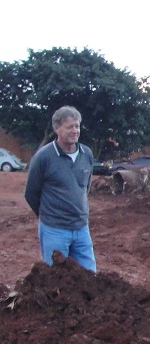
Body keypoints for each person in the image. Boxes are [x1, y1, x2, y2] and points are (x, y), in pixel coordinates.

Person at [24, 106, 97, 271]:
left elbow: (84, 187)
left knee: (91, 277)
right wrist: (48, 215)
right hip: (54, 230)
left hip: (81, 228)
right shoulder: (43, 157)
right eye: (69, 126)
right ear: (57, 128)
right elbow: (31, 193)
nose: (75, 131)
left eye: (77, 126)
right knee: (55, 278)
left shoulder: (86, 154)